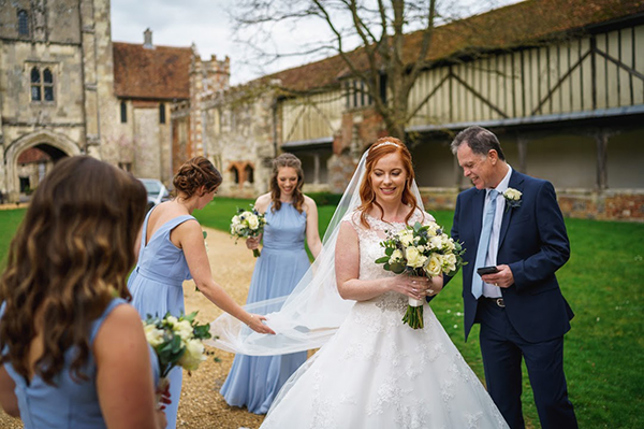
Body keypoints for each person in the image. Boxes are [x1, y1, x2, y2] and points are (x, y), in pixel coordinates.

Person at [255, 138, 509, 428]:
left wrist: (427, 286)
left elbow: (438, 280)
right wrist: (393, 283)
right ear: (369, 176)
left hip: (418, 328)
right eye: (379, 173)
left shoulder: (423, 221)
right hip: (367, 328)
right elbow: (345, 286)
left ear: (407, 176)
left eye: (395, 173)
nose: (387, 181)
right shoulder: (354, 224)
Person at [0, 156, 166, 428]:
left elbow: (12, 403)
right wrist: (156, 414)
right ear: (112, 234)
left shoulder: (14, 303)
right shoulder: (113, 321)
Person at [127, 156, 274, 428]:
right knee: (161, 376)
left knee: (131, 373)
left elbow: (139, 255)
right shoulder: (189, 225)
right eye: (214, 192)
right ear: (201, 190)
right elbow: (206, 284)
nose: (213, 199)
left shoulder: (157, 209)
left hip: (135, 290)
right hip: (160, 303)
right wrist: (247, 318)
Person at [448, 126, 578, 429]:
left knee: (551, 402)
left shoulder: (536, 190)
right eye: (463, 167)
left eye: (470, 165)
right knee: (500, 404)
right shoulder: (466, 201)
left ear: (492, 156)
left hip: (537, 315)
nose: (466, 173)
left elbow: (558, 249)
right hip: (491, 320)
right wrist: (420, 290)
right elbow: (455, 253)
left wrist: (516, 273)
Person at [220, 153, 322, 414]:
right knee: (261, 324)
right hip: (268, 267)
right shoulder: (263, 202)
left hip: (297, 268)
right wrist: (251, 241)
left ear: (299, 179)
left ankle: (284, 392)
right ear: (275, 178)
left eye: (293, 179)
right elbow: (254, 239)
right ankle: (254, 388)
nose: (288, 184)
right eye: (283, 179)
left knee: (292, 327)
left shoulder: (308, 204)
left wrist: (326, 269)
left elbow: (313, 242)